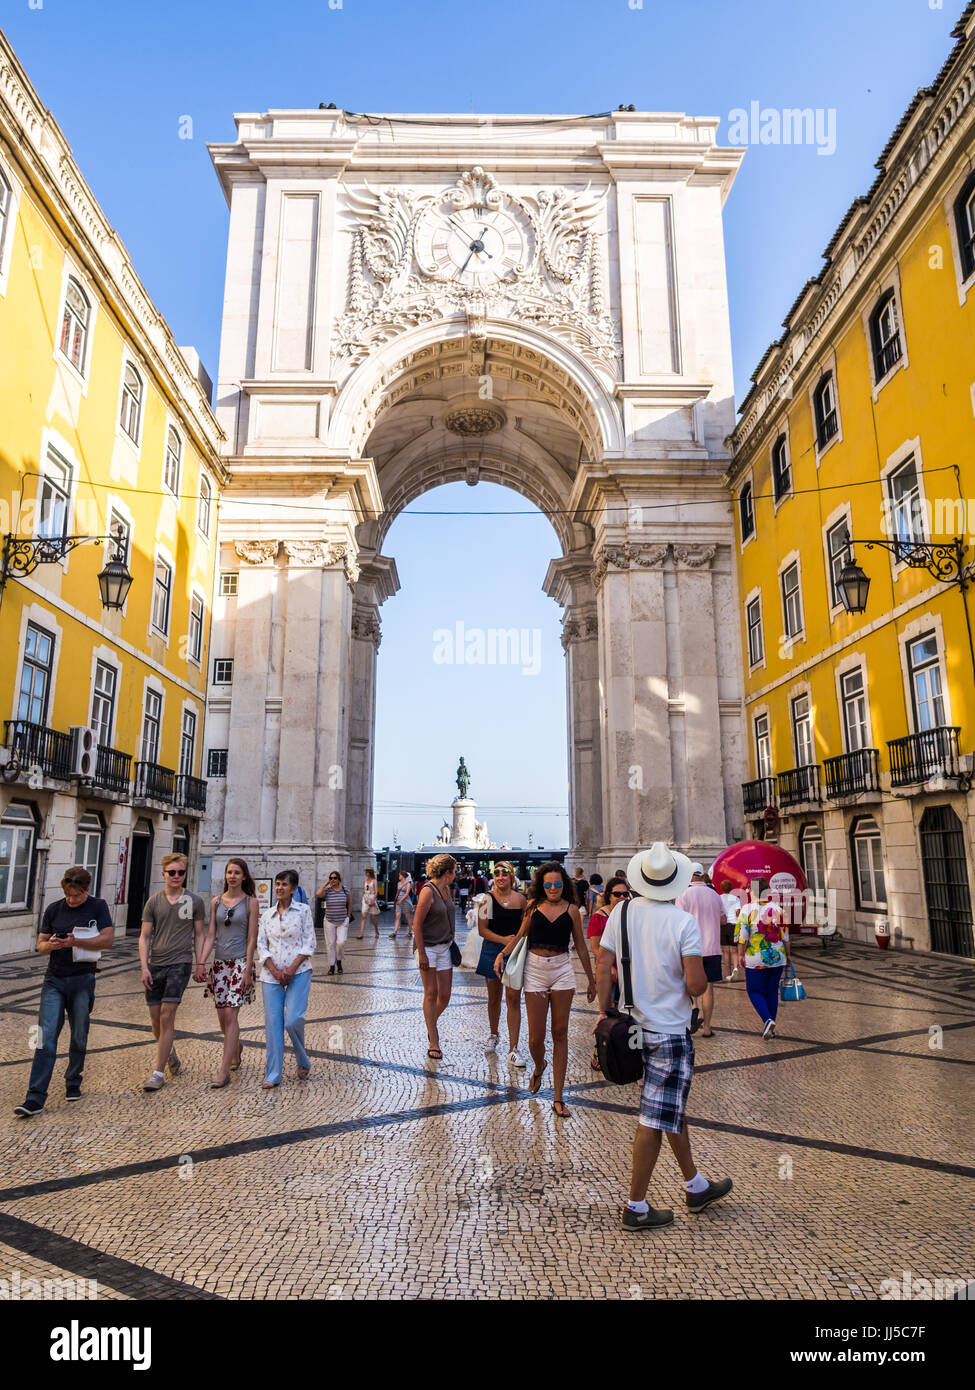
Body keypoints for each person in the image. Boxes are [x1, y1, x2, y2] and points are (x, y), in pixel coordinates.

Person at [597, 842, 733, 1230]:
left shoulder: (620, 912)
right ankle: (635, 1207)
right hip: (668, 1032)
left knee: (668, 1107)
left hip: (631, 1027)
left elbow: (604, 962)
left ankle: (695, 1185)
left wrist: (604, 1011)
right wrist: (703, 974)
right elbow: (694, 985)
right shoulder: (681, 923)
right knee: (653, 1119)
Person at [495, 861, 596, 1119]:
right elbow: (519, 936)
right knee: (535, 1038)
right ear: (542, 885)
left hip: (562, 969)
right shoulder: (533, 906)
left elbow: (582, 947)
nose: (553, 888)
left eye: (558, 884)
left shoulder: (572, 910)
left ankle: (558, 1097)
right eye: (548, 884)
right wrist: (502, 954)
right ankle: (540, 1065)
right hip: (536, 971)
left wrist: (591, 979)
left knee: (560, 1033)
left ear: (564, 885)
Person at [14, 866, 115, 1117]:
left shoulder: (98, 907)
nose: (72, 900)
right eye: (68, 896)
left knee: (79, 1035)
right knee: (45, 1038)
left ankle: (73, 1080)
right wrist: (51, 944)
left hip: (83, 978)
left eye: (77, 896)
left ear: (86, 890)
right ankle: (34, 1098)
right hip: (54, 980)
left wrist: (76, 941)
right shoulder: (53, 909)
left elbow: (108, 940)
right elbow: (39, 947)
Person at [140, 853, 206, 1092]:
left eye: (180, 872)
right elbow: (145, 936)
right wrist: (144, 966)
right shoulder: (153, 902)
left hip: (180, 963)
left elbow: (200, 934)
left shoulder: (194, 901)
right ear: (163, 874)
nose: (176, 876)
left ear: (185, 874)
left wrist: (200, 963)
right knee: (155, 1019)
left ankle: (158, 1073)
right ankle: (170, 1053)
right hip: (156, 964)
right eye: (172, 872)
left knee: (168, 1015)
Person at [196, 858, 258, 1088]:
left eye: (237, 872)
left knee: (231, 1015)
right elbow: (210, 934)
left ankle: (223, 1071)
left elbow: (252, 938)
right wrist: (201, 963)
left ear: (244, 876)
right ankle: (236, 1046)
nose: (232, 876)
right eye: (229, 872)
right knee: (222, 1017)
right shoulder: (215, 902)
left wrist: (248, 970)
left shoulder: (251, 902)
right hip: (220, 963)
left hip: (241, 962)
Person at [257, 869, 316, 1087]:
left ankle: (302, 1058)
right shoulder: (267, 915)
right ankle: (273, 1074)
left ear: (293, 889)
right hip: (270, 975)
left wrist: (291, 969)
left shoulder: (303, 911)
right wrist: (273, 969)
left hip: (299, 972)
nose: (279, 888)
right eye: (277, 884)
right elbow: (261, 945)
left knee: (293, 1020)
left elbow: (309, 943)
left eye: (284, 885)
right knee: (273, 1025)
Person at [475, 861, 527, 1069]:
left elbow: (524, 927)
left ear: (511, 876)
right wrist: (503, 940)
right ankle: (493, 1034)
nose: (500, 876)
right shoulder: (486, 900)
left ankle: (513, 1048)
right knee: (494, 997)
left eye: (504, 873)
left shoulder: (521, 900)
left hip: (514, 953)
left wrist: (512, 943)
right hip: (491, 950)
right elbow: (482, 930)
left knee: (513, 998)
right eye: (496, 873)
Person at [413, 853, 457, 1060]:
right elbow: (416, 924)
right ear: (448, 872)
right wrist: (421, 953)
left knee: (445, 995)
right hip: (428, 948)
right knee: (431, 992)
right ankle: (434, 1041)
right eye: (455, 870)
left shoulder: (447, 889)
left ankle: (430, 1023)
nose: (456, 874)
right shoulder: (427, 891)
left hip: (444, 946)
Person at [676, 863, 726, 1038]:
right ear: (703, 875)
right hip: (712, 948)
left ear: (690, 876)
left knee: (690, 984)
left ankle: (693, 1007)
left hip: (691, 949)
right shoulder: (714, 894)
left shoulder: (683, 894)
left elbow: (677, 921)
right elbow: (723, 920)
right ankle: (707, 1028)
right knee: (708, 988)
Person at [736, 880, 791, 1039]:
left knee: (754, 991)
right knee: (772, 991)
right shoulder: (779, 909)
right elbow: (786, 937)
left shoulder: (746, 910)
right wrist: (788, 956)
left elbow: (742, 938)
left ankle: (767, 1021)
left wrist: (740, 955)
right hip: (777, 957)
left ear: (751, 891)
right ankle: (771, 1029)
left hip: (756, 958)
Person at [586, 876, 630, 1070]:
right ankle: (600, 1051)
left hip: (628, 972)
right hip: (608, 972)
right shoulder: (599, 916)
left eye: (625, 894)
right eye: (616, 894)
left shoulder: (630, 915)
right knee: (607, 1012)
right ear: (608, 896)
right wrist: (608, 965)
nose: (621, 897)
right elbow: (595, 947)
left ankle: (627, 1051)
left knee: (628, 1014)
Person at [316, 870, 351, 975]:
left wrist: (348, 916)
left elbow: (350, 903)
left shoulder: (345, 890)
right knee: (330, 944)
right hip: (329, 921)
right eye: (331, 878)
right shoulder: (327, 891)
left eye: (335, 878)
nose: (333, 880)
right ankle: (332, 966)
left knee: (341, 942)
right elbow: (318, 894)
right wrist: (326, 883)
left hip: (342, 920)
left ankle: (339, 961)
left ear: (339, 879)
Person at [718, 878, 743, 980]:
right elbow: (738, 913)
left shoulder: (718, 898)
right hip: (733, 925)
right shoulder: (735, 898)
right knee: (734, 950)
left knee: (725, 951)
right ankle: (735, 969)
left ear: (722, 888)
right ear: (731, 888)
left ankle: (728, 974)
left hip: (723, 926)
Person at [358, 867, 380, 940]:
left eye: (366, 871)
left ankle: (376, 931)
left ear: (370, 872)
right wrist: (364, 897)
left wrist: (373, 900)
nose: (365, 873)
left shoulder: (374, 881)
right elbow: (364, 890)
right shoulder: (364, 880)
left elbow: (376, 892)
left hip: (372, 898)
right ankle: (361, 934)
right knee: (364, 916)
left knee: (373, 917)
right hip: (365, 899)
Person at [392, 869, 414, 941]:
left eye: (400, 875)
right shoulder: (398, 883)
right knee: (397, 917)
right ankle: (394, 932)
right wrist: (395, 900)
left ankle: (410, 932)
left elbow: (407, 893)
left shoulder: (408, 883)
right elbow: (397, 893)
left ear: (403, 876)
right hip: (398, 901)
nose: (399, 876)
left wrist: (401, 900)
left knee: (407, 917)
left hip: (405, 901)